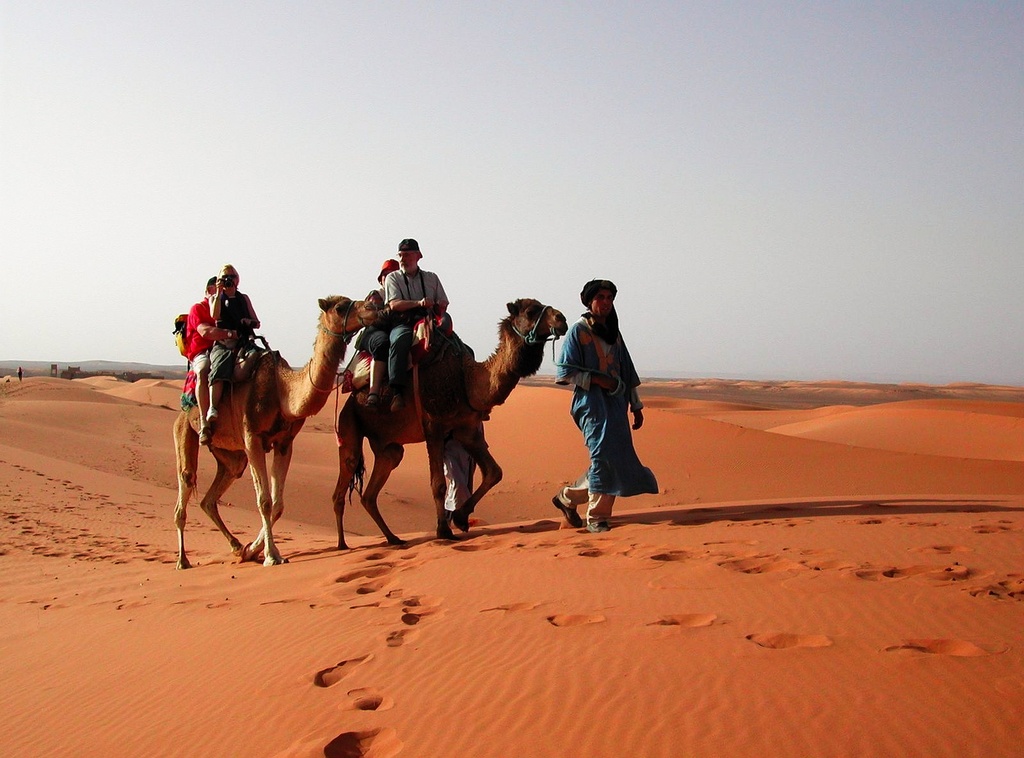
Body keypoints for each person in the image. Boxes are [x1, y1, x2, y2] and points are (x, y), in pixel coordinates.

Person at [552, 279, 658, 533]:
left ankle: (567, 497)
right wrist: (599, 380)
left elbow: (627, 371)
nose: (606, 302)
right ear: (590, 301)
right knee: (602, 457)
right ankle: (597, 517)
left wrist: (636, 405)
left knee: (616, 459)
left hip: (616, 404)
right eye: (601, 297)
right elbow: (565, 371)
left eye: (610, 297)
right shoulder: (579, 331)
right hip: (591, 404)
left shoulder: (614, 332)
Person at [382, 238, 449, 412]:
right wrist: (419, 303)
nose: (403, 259)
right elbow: (394, 304)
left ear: (418, 256)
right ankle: (397, 391)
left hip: (429, 320)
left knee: (456, 345)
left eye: (407, 255)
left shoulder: (431, 278)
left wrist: (439, 305)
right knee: (399, 340)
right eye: (400, 255)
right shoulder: (393, 278)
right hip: (404, 322)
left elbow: (444, 301)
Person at [206, 264, 261, 430]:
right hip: (224, 343)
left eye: (231, 276)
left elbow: (257, 322)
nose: (229, 279)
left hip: (245, 342)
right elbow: (214, 315)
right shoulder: (215, 298)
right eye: (225, 277)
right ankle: (213, 407)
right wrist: (218, 293)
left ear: (237, 280)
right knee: (220, 366)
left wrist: (248, 322)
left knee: (264, 360)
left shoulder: (243, 298)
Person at [358, 258, 401, 408]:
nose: (389, 278)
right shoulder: (376, 296)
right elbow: (374, 318)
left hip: (394, 331)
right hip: (375, 331)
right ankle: (373, 392)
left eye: (392, 274)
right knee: (383, 344)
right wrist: (395, 312)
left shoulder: (404, 295)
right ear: (381, 279)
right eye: (386, 275)